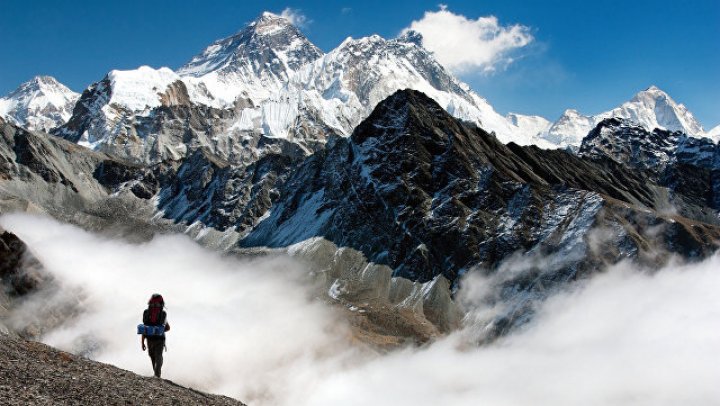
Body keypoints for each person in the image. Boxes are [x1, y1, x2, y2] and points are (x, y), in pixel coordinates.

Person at [140, 293, 170, 378]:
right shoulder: (163, 314)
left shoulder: (146, 313)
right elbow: (168, 328)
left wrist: (142, 343)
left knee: (153, 357)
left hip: (149, 339)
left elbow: (144, 328)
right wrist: (158, 330)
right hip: (160, 339)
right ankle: (157, 375)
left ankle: (156, 375)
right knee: (158, 357)